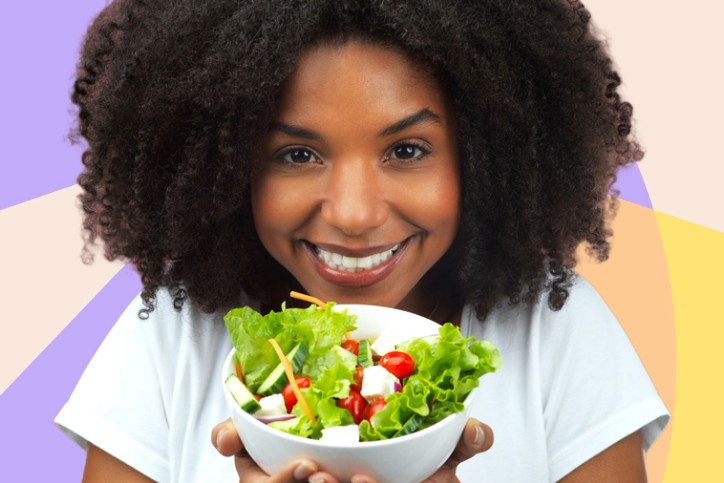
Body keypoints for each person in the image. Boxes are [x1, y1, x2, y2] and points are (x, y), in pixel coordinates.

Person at [55, 0, 669, 482]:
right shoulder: (171, 336)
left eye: (406, 150)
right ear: (226, 166)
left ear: (486, 157)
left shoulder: (558, 331)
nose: (352, 214)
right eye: (297, 154)